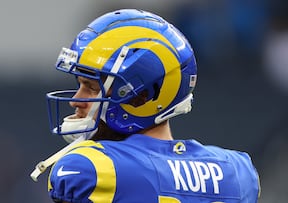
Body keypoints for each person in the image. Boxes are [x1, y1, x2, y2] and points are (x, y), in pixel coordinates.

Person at [31, 9, 260, 203]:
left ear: (140, 97)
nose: (76, 100)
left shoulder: (92, 168)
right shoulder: (238, 173)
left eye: (91, 87)